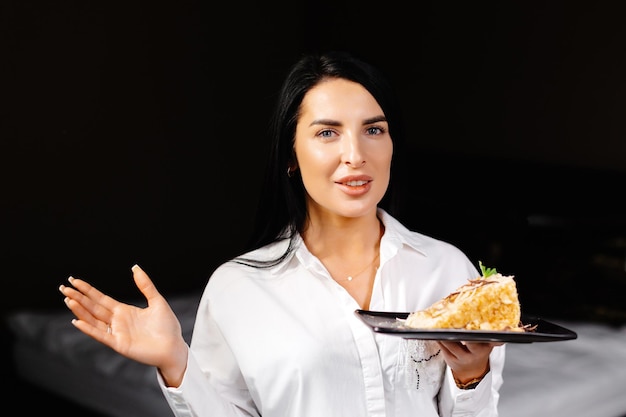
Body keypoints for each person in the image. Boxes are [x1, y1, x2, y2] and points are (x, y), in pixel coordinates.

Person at [59, 50, 505, 417]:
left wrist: (472, 375)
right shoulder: (239, 287)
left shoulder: (448, 270)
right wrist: (175, 360)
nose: (355, 154)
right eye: (327, 133)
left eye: (374, 130)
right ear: (290, 156)